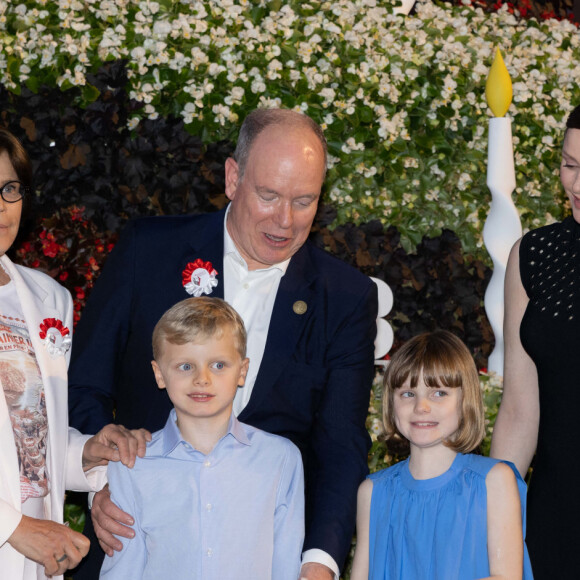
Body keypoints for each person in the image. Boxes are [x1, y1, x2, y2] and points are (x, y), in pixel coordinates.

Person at [68, 108, 378, 580]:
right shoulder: (147, 251)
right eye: (269, 195)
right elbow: (84, 384)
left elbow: (341, 445)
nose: (285, 220)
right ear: (233, 178)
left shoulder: (347, 297)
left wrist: (319, 561)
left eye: (304, 201)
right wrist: (105, 480)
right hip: (136, 543)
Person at [0, 127, 150, 580]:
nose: (1, 206)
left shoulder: (47, 299)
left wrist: (87, 452)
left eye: (8, 188)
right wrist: (13, 526)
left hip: (37, 562)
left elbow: (29, 442)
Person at [99, 297, 304, 579]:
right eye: (185, 366)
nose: (202, 379)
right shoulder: (133, 463)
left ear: (242, 371)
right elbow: (124, 569)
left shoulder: (280, 458)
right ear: (160, 374)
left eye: (218, 365)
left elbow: (286, 562)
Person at [350, 330, 533, 580]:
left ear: (465, 400)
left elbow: (506, 576)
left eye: (439, 393)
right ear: (391, 405)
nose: (421, 407)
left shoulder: (494, 481)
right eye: (408, 394)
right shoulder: (372, 492)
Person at [490, 104, 580, 577]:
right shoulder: (534, 256)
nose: (578, 186)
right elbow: (520, 410)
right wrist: (493, 520)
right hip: (553, 516)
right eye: (570, 165)